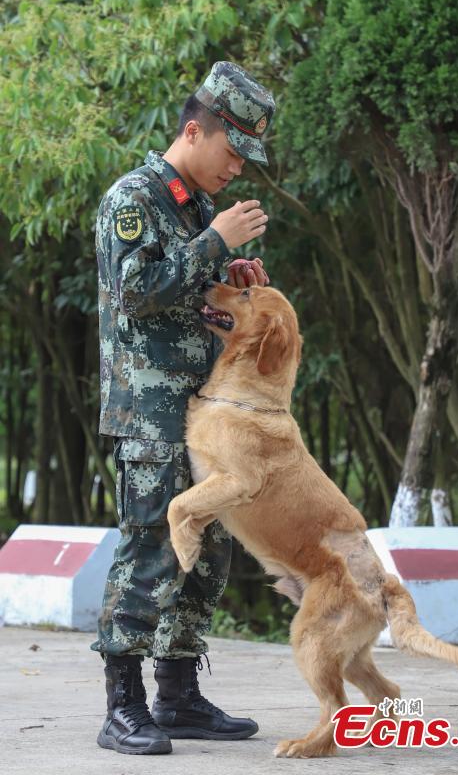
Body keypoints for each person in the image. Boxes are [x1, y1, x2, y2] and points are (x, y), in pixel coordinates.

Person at [91, 61, 276, 755]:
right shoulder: (133, 198)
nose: (237, 170)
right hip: (153, 416)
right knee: (151, 550)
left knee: (209, 554)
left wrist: (229, 281)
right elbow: (136, 291)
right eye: (233, 153)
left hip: (207, 417)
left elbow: (188, 298)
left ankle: (176, 695)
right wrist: (216, 242)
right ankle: (122, 705)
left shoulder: (196, 209)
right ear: (194, 131)